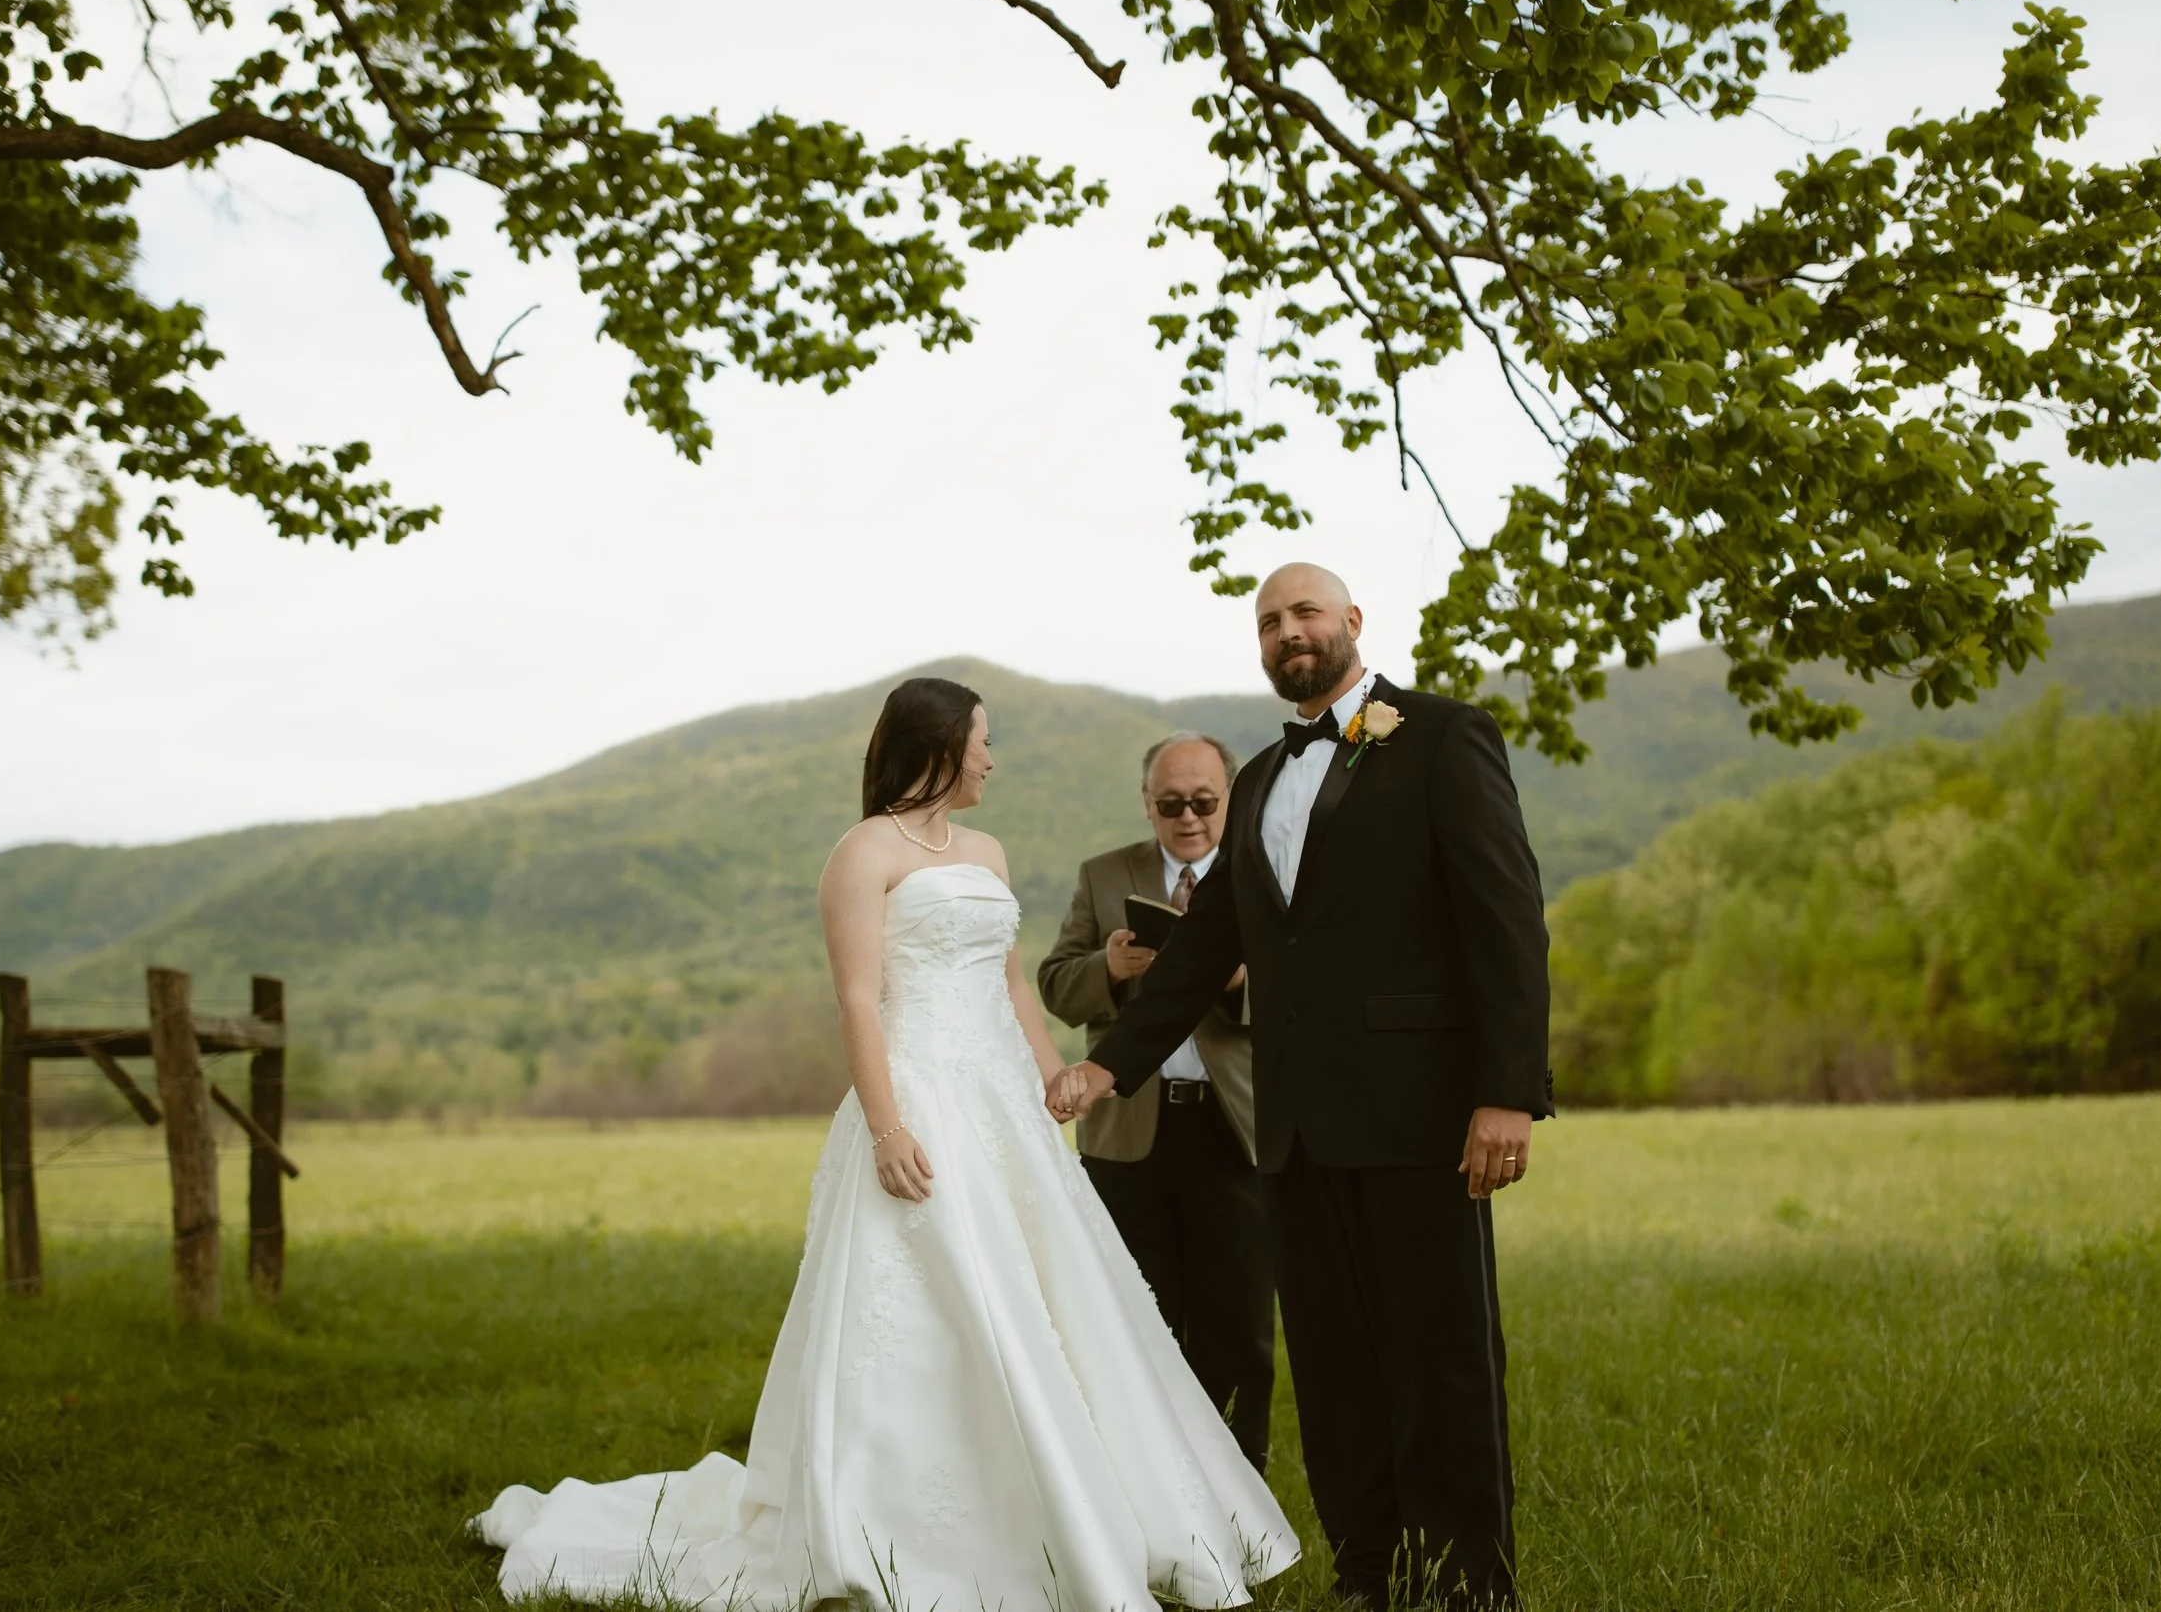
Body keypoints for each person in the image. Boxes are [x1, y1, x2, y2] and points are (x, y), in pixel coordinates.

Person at [477, 677, 1298, 1612]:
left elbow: (1013, 988)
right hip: (918, 1100)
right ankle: (902, 1516)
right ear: (942, 746)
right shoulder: (861, 852)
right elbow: (859, 998)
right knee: (924, 1305)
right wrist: (888, 1125)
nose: (993, 757)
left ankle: (1069, 1499)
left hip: (1002, 1110)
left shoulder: (986, 851)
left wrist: (1053, 1081)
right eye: (983, 741)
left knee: (1051, 1305)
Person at [1049, 565, 1553, 1612]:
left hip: (1420, 1118)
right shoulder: (1264, 784)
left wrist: (1506, 1090)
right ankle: (1367, 1571)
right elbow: (1203, 951)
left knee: (1442, 1360)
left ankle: (1463, 1584)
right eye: (1270, 621)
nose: (1289, 632)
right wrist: (1111, 1062)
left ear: (1353, 623)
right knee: (1330, 1367)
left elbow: (1503, 918)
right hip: (1289, 1131)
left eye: (1306, 612)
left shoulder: (1443, 738)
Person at [1037, 731, 1275, 1472]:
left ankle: (1239, 1495)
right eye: (1170, 803)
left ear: (1230, 800)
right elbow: (1052, 983)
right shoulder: (1104, 874)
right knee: (1130, 1320)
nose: (1188, 817)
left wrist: (1241, 984)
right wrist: (1106, 968)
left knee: (1236, 1327)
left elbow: (1312, 993)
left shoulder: (1263, 872)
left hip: (1234, 1127)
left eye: (1204, 802)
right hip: (1127, 1131)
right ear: (1147, 803)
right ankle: (1141, 1485)